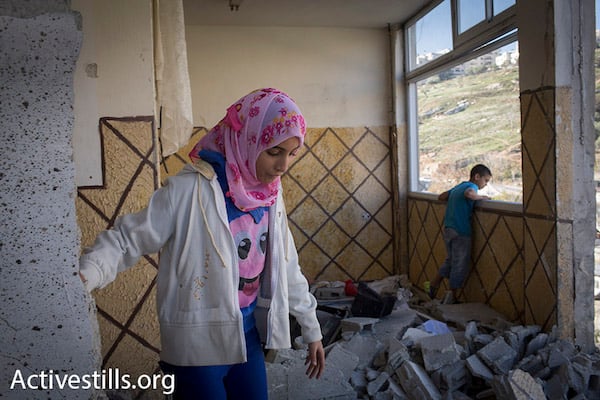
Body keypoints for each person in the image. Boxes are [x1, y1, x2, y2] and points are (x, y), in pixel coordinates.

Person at [79, 88, 325, 399]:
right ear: (246, 139)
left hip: (247, 336)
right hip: (197, 349)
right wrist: (87, 274)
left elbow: (287, 265)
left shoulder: (269, 196)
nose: (283, 166)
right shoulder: (188, 191)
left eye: (292, 153)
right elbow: (128, 239)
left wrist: (311, 328)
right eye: (274, 152)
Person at [428, 164, 492, 303]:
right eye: (485, 180)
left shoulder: (458, 187)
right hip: (461, 231)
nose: (485, 184)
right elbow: (469, 194)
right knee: (460, 264)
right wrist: (481, 197)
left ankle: (434, 283)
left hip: (449, 228)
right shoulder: (472, 187)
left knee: (451, 260)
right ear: (477, 177)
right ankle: (452, 296)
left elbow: (442, 196)